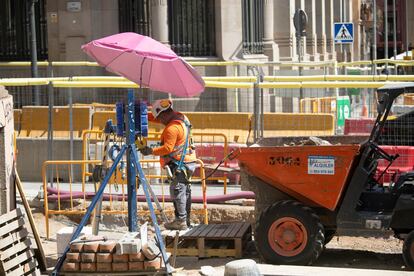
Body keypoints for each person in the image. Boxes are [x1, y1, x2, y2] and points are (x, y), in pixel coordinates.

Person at [139, 99, 196, 230]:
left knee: (178, 191)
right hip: (189, 161)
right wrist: (142, 116)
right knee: (185, 192)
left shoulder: (172, 128)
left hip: (179, 163)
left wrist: (151, 151)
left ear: (164, 114)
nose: (160, 121)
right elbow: (159, 119)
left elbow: (168, 148)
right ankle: (184, 219)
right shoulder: (180, 117)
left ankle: (180, 221)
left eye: (160, 118)